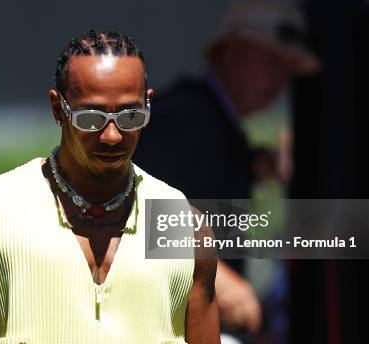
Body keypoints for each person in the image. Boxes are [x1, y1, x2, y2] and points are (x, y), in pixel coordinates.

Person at [0, 30, 219, 343]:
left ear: (149, 103)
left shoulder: (182, 225)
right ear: (58, 109)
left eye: (130, 116)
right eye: (90, 119)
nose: (112, 136)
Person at [134, 0, 320, 337]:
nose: (279, 79)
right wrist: (218, 279)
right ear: (232, 51)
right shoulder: (186, 117)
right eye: (270, 61)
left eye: (286, 68)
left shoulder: (213, 121)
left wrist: (258, 164)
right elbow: (137, 217)